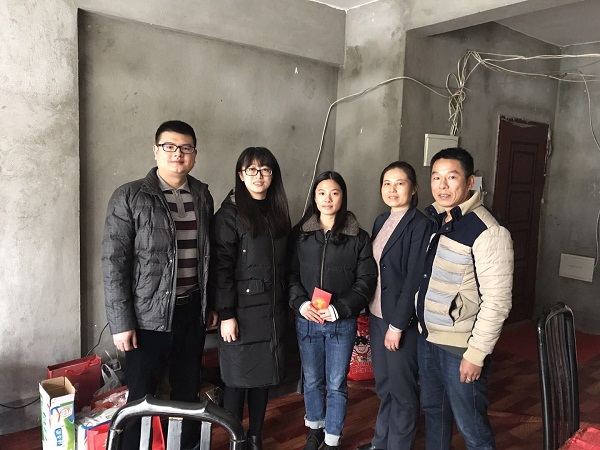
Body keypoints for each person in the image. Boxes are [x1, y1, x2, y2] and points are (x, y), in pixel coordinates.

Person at [102, 120, 216, 449]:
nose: (177, 153)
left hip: (191, 312)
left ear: (195, 154)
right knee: (141, 397)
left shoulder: (202, 195)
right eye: (169, 146)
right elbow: (114, 262)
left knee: (187, 391)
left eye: (186, 148)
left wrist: (210, 305)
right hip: (145, 318)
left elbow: (208, 256)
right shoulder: (130, 196)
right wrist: (121, 323)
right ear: (156, 151)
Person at [416, 147, 514, 450]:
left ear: (470, 181)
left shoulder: (488, 230)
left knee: (472, 426)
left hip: (461, 348)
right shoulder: (437, 219)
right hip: (428, 339)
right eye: (436, 177)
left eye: (452, 177)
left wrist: (476, 354)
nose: (442, 185)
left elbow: (497, 301)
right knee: (435, 414)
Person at [209, 147, 291, 450]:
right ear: (241, 175)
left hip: (271, 312)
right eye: (252, 170)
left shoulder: (277, 213)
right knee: (235, 381)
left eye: (265, 170)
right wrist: (226, 314)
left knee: (263, 379)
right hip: (241, 314)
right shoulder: (228, 215)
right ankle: (236, 439)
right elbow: (221, 268)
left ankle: (255, 436)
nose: (259, 176)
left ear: (273, 176)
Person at [289, 171, 378, 450]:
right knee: (312, 379)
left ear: (343, 197)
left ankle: (332, 438)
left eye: (334, 193)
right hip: (308, 319)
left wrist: (341, 309)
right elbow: (290, 275)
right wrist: (301, 304)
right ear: (314, 198)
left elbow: (366, 280)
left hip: (342, 321)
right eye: (321, 193)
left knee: (337, 382)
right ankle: (315, 429)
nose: (327, 199)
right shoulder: (301, 234)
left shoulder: (358, 237)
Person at [357, 161, 433, 450]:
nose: (392, 189)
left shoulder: (420, 225)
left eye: (400, 183)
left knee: (403, 391)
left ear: (413, 189)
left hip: (400, 322)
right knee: (385, 386)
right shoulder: (382, 220)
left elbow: (414, 278)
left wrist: (398, 325)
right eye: (387, 183)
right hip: (378, 315)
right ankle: (381, 443)